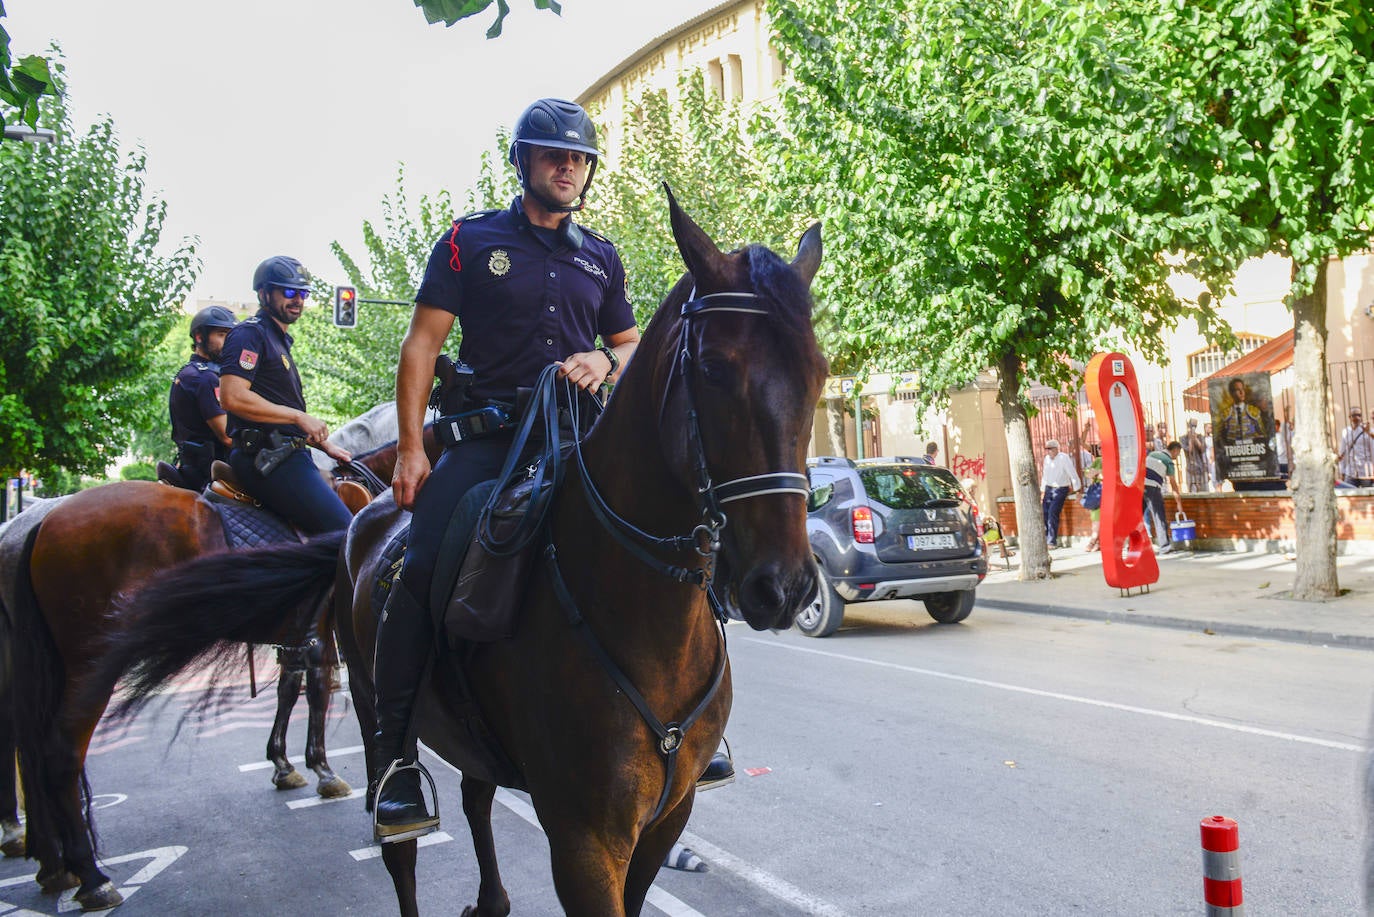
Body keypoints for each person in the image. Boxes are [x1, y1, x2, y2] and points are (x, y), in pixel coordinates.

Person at [370, 98, 649, 841]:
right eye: (554, 154)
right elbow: (421, 346)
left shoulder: (602, 254)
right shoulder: (467, 242)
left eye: (579, 157)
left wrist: (605, 357)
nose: (568, 166)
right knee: (422, 566)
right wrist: (409, 446)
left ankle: (685, 723)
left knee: (667, 538)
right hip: (490, 440)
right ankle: (395, 762)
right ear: (523, 161)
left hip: (579, 438)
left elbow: (630, 342)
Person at [218, 256, 354, 534]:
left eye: (303, 293)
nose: (298, 300)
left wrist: (321, 444)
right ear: (264, 293)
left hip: (287, 453)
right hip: (266, 458)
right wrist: (299, 416)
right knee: (346, 534)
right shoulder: (250, 334)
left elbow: (275, 413)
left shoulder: (277, 341)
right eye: (289, 292)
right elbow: (232, 397)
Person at [168, 306, 238, 492]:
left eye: (231, 337)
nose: (229, 343)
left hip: (195, 467)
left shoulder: (191, 373)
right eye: (222, 335)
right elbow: (228, 436)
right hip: (207, 474)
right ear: (199, 337)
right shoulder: (204, 378)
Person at [1143, 441, 1185, 553]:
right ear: (1175, 450)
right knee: (1159, 516)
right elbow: (1173, 483)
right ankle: (1165, 546)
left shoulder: (1152, 454)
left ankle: (1133, 545)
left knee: (1137, 516)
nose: (1177, 456)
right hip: (1152, 487)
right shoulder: (1168, 462)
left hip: (1139, 486)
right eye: (1178, 453)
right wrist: (1179, 503)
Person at [1039, 439, 1080, 548]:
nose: (1048, 451)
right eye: (1046, 449)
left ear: (1056, 448)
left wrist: (1077, 489)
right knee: (1045, 513)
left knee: (1053, 512)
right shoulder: (1046, 459)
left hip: (1061, 488)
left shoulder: (1063, 458)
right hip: (1048, 488)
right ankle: (1046, 539)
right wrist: (1042, 490)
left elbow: (1072, 473)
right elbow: (1045, 475)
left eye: (1050, 449)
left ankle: (1051, 541)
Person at [1337, 407, 1373, 487]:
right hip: (1350, 472)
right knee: (1347, 492)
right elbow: (1342, 452)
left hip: (1366, 471)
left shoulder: (1368, 431)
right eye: (1354, 415)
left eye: (1359, 415)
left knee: (1368, 494)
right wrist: (1342, 471)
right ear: (1349, 417)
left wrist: (1368, 432)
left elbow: (1372, 451)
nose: (1357, 417)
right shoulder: (1346, 431)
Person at [1182, 419, 1208, 493]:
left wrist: (1196, 439)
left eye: (1195, 426)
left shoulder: (1200, 437)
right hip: (1190, 468)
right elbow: (1188, 451)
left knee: (1202, 490)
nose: (1193, 427)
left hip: (1200, 467)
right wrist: (1190, 439)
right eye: (1192, 425)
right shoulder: (1183, 438)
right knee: (1191, 490)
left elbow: (1203, 449)